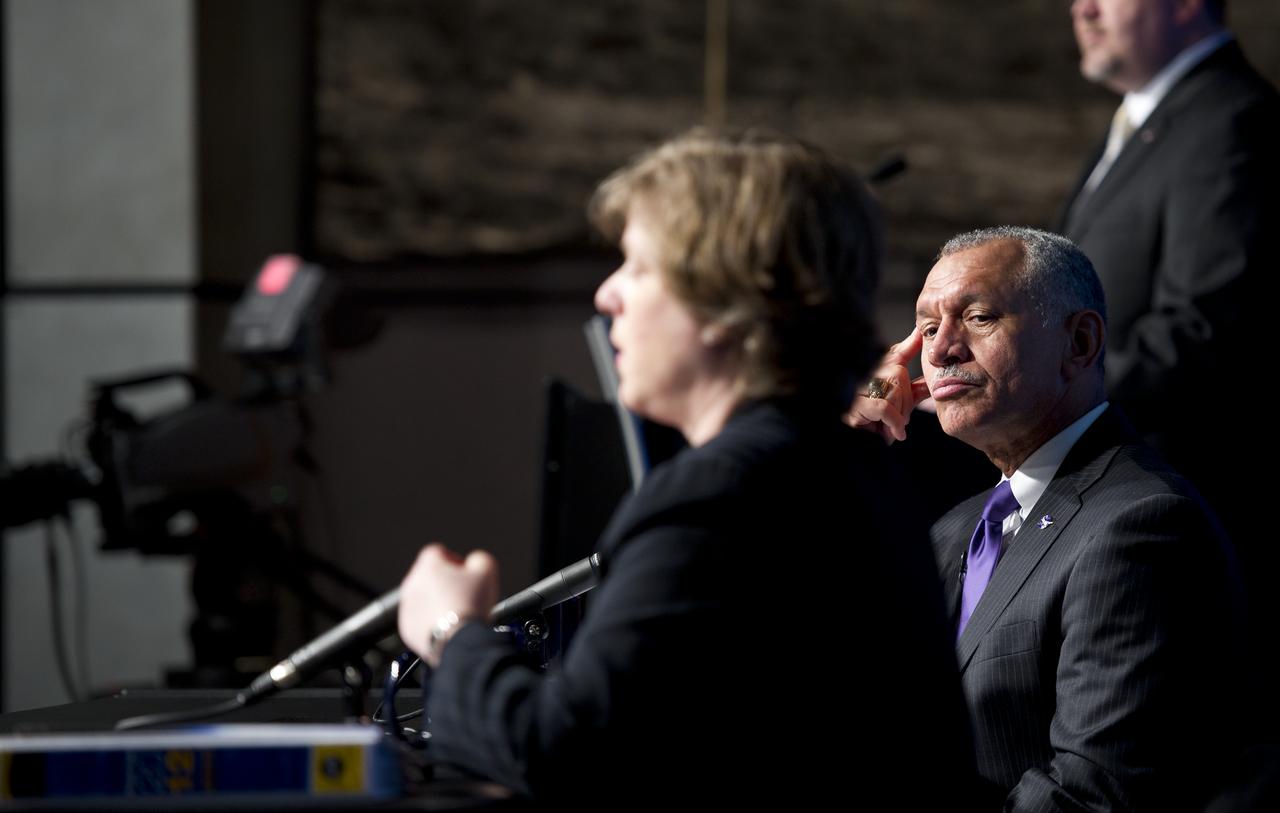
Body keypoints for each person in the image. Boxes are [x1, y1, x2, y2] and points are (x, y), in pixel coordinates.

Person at [395, 130, 976, 807]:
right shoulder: (847, 470)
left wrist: (451, 633)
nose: (608, 293)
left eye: (639, 268)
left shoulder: (722, 492)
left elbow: (566, 752)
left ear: (728, 305)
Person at [849, 226, 1248, 812]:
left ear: (1080, 343)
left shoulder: (1142, 525)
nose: (938, 351)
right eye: (929, 328)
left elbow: (1091, 796)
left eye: (977, 318)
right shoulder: (953, 531)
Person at [1055, 0, 1280, 707]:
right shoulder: (1146, 116)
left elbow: (1204, 330)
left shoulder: (1229, 119)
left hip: (1175, 512)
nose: (1082, 7)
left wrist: (1040, 388)